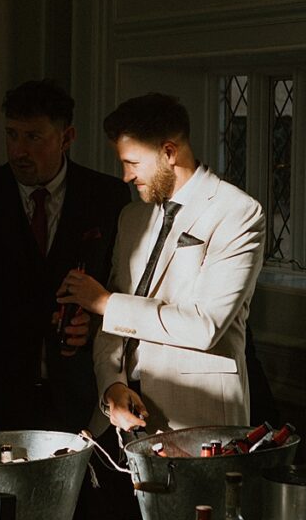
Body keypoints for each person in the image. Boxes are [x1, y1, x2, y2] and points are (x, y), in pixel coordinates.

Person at [59, 93, 265, 433]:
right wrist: (111, 385)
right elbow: (111, 321)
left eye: (133, 163)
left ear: (169, 152)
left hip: (198, 420)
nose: (125, 176)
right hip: (120, 419)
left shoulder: (238, 212)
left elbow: (205, 325)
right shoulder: (131, 216)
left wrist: (106, 303)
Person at [0, 80, 130, 436]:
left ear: (66, 137)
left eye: (34, 137)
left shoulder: (107, 196)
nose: (19, 150)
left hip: (80, 397)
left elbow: (122, 287)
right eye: (12, 135)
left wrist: (94, 325)